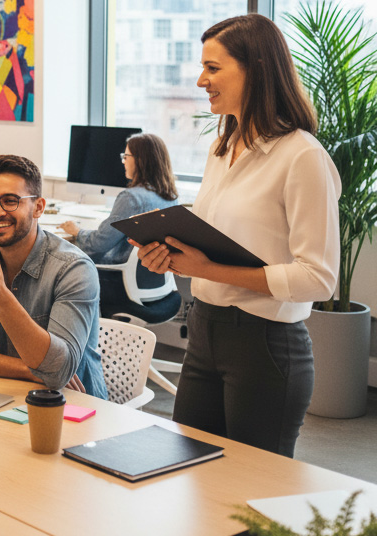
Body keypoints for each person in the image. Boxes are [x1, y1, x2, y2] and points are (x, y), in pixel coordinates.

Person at [134, 14, 339, 457]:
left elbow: (319, 279)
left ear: (257, 68)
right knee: (192, 473)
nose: (200, 80)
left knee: (251, 497)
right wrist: (169, 252)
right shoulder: (221, 147)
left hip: (264, 345)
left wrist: (211, 270)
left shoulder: (302, 156)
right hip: (204, 330)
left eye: (212, 68)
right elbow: (217, 235)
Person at [0, 154, 108, 400]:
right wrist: (28, 370)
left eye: (10, 201)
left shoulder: (73, 268)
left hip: (73, 404)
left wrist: (1, 299)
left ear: (38, 207)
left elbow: (58, 372)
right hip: (6, 393)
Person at [61, 133, 180, 320]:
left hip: (121, 285)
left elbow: (98, 244)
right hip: (157, 287)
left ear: (141, 160)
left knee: (61, 266)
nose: (123, 162)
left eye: (126, 156)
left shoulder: (131, 198)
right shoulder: (171, 197)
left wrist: (77, 232)